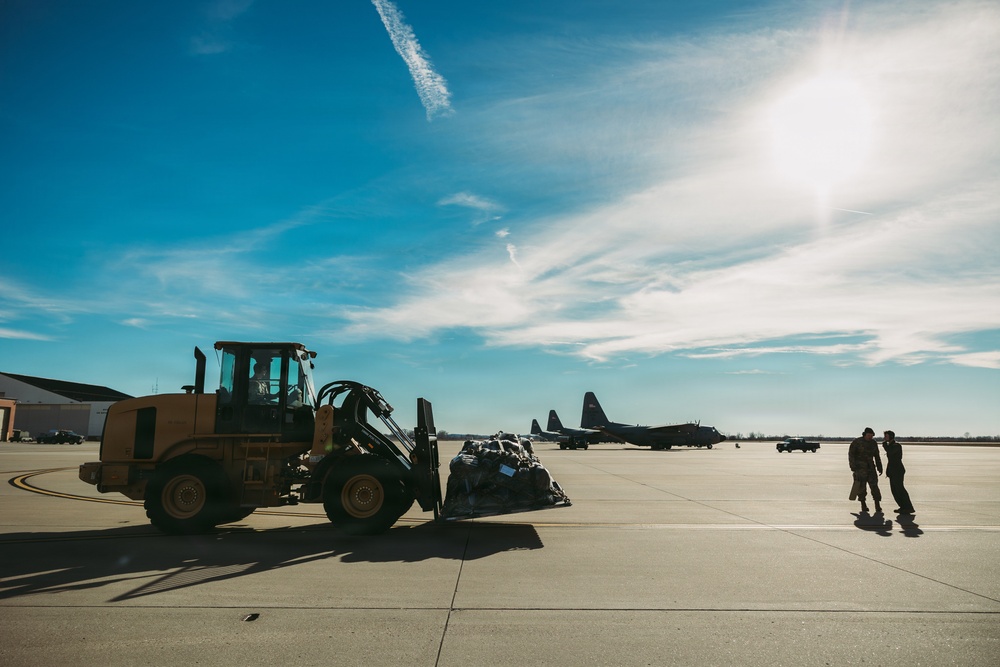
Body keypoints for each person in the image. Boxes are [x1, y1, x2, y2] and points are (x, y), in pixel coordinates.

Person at [848, 426, 883, 513]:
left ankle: (877, 505)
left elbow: (877, 456)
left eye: (871, 436)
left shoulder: (873, 443)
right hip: (860, 469)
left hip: (871, 468)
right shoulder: (857, 442)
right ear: (864, 434)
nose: (870, 437)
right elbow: (851, 455)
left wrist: (879, 467)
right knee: (861, 488)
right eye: (869, 435)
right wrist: (853, 467)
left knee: (874, 487)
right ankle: (863, 504)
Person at [882, 430, 914, 514]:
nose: (884, 438)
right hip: (892, 471)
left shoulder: (896, 445)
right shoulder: (890, 445)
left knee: (900, 489)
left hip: (898, 470)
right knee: (894, 491)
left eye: (886, 436)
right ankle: (902, 507)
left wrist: (885, 445)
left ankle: (908, 507)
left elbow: (890, 451)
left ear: (891, 437)